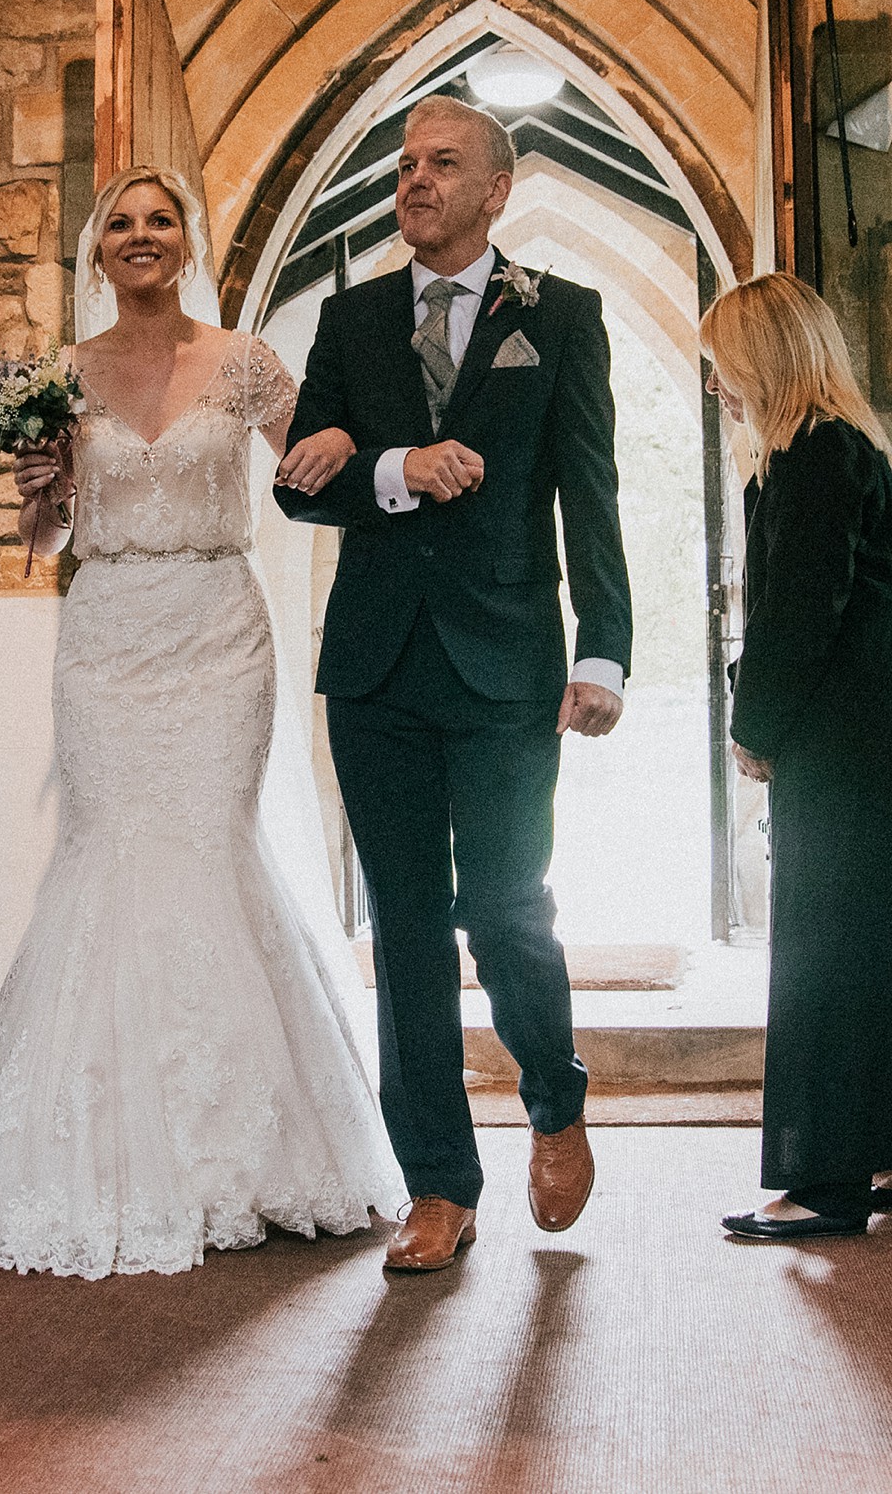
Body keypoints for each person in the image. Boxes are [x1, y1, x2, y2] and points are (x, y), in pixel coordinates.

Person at [0, 165, 404, 1280]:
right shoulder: (58, 376)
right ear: (98, 253)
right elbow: (46, 541)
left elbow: (311, 461)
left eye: (160, 221)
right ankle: (93, 1149)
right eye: (121, 225)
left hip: (215, 633)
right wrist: (39, 486)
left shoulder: (242, 361)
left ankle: (243, 1149)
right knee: (107, 855)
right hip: (106, 638)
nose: (141, 237)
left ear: (186, 243)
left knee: (204, 847)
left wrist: (351, 450)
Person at [274, 94, 632, 1272]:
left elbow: (591, 490)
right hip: (376, 664)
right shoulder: (352, 317)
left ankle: (554, 1093)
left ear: (497, 188)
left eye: (442, 163)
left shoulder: (561, 316)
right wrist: (391, 468)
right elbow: (300, 477)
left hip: (507, 662)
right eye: (404, 163)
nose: (415, 179)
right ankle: (438, 1181)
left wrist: (602, 651)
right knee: (409, 928)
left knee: (506, 904)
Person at [700, 272, 892, 1240]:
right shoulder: (826, 449)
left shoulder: (817, 455)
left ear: (765, 357)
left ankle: (824, 1180)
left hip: (844, 736)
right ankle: (873, 1150)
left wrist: (754, 726)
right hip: (864, 733)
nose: (716, 385)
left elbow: (801, 611)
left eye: (724, 365)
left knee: (822, 951)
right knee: (866, 948)